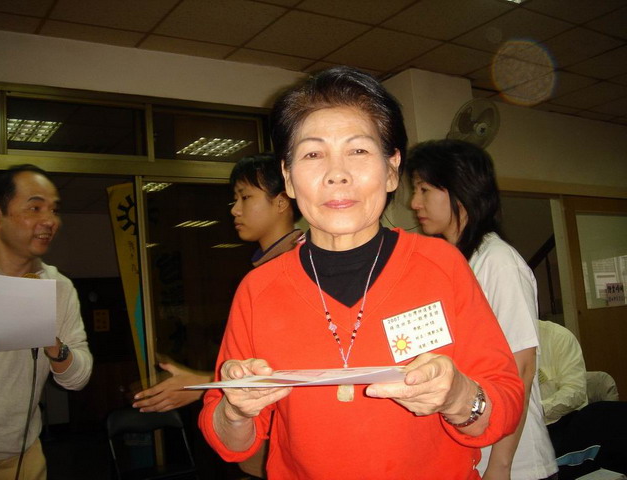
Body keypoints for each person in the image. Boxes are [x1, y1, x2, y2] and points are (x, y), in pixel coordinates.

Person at [199, 66, 524, 480]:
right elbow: (230, 443)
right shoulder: (258, 290)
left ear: (391, 169)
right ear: (289, 179)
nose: (337, 174)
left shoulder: (441, 265)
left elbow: (503, 406)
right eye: (313, 154)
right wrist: (235, 410)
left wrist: (458, 396)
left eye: (358, 151)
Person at [133, 153, 302, 479]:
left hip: (295, 445)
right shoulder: (265, 268)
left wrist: (200, 385)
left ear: (281, 202)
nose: (234, 209)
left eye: (245, 197)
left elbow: (296, 367)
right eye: (235, 199)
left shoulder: (300, 266)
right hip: (269, 441)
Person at [407, 139, 558, 480]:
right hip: (468, 450)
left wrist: (500, 466)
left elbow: (522, 368)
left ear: (461, 191)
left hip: (514, 464)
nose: (414, 202)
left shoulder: (498, 262)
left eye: (424, 189)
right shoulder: (451, 264)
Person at [0, 164, 93, 480]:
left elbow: (78, 378)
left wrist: (54, 346)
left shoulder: (59, 286)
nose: (49, 221)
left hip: (24, 456)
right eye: (35, 208)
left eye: (53, 210)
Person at [539, 319, 627, 479]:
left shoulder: (557, 337)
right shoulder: (494, 345)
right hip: (517, 433)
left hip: (559, 422)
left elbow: (575, 392)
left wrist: (535, 411)